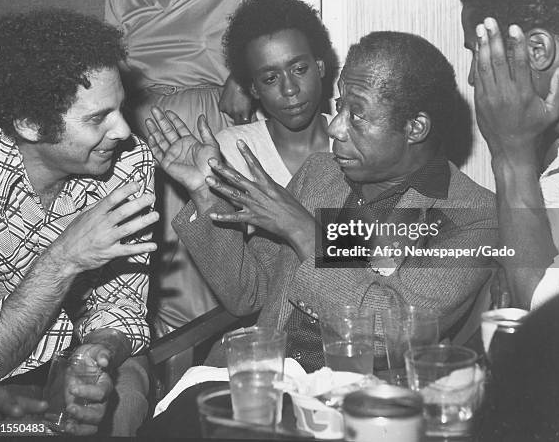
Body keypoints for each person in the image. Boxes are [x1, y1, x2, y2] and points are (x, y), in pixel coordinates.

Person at [146, 31, 498, 371]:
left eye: (356, 115)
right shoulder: (321, 175)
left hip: (362, 408)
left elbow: (390, 335)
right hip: (270, 379)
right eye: (340, 107)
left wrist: (305, 234)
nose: (335, 128)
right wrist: (204, 191)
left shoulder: (471, 215)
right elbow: (247, 293)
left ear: (415, 128)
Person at [105, 0, 275, 332]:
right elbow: (111, 76)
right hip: (142, 140)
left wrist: (242, 77)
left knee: (214, 258)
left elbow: (280, 45)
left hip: (211, 130)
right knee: (151, 270)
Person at [0, 9, 158, 436]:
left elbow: (123, 304)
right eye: (98, 118)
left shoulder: (130, 166)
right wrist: (64, 258)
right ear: (30, 124)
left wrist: (95, 356)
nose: (125, 131)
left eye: (121, 108)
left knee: (132, 374)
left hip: (70, 350)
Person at [459, 0, 559, 310]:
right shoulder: (556, 161)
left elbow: (547, 325)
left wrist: (511, 152)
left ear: (535, 50)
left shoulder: (525, 152)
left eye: (478, 52)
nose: (473, 76)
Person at [216, 0, 334, 187]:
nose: (289, 89)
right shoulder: (230, 150)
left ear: (319, 67)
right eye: (270, 78)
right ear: (254, 89)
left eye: (299, 70)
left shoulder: (355, 144)